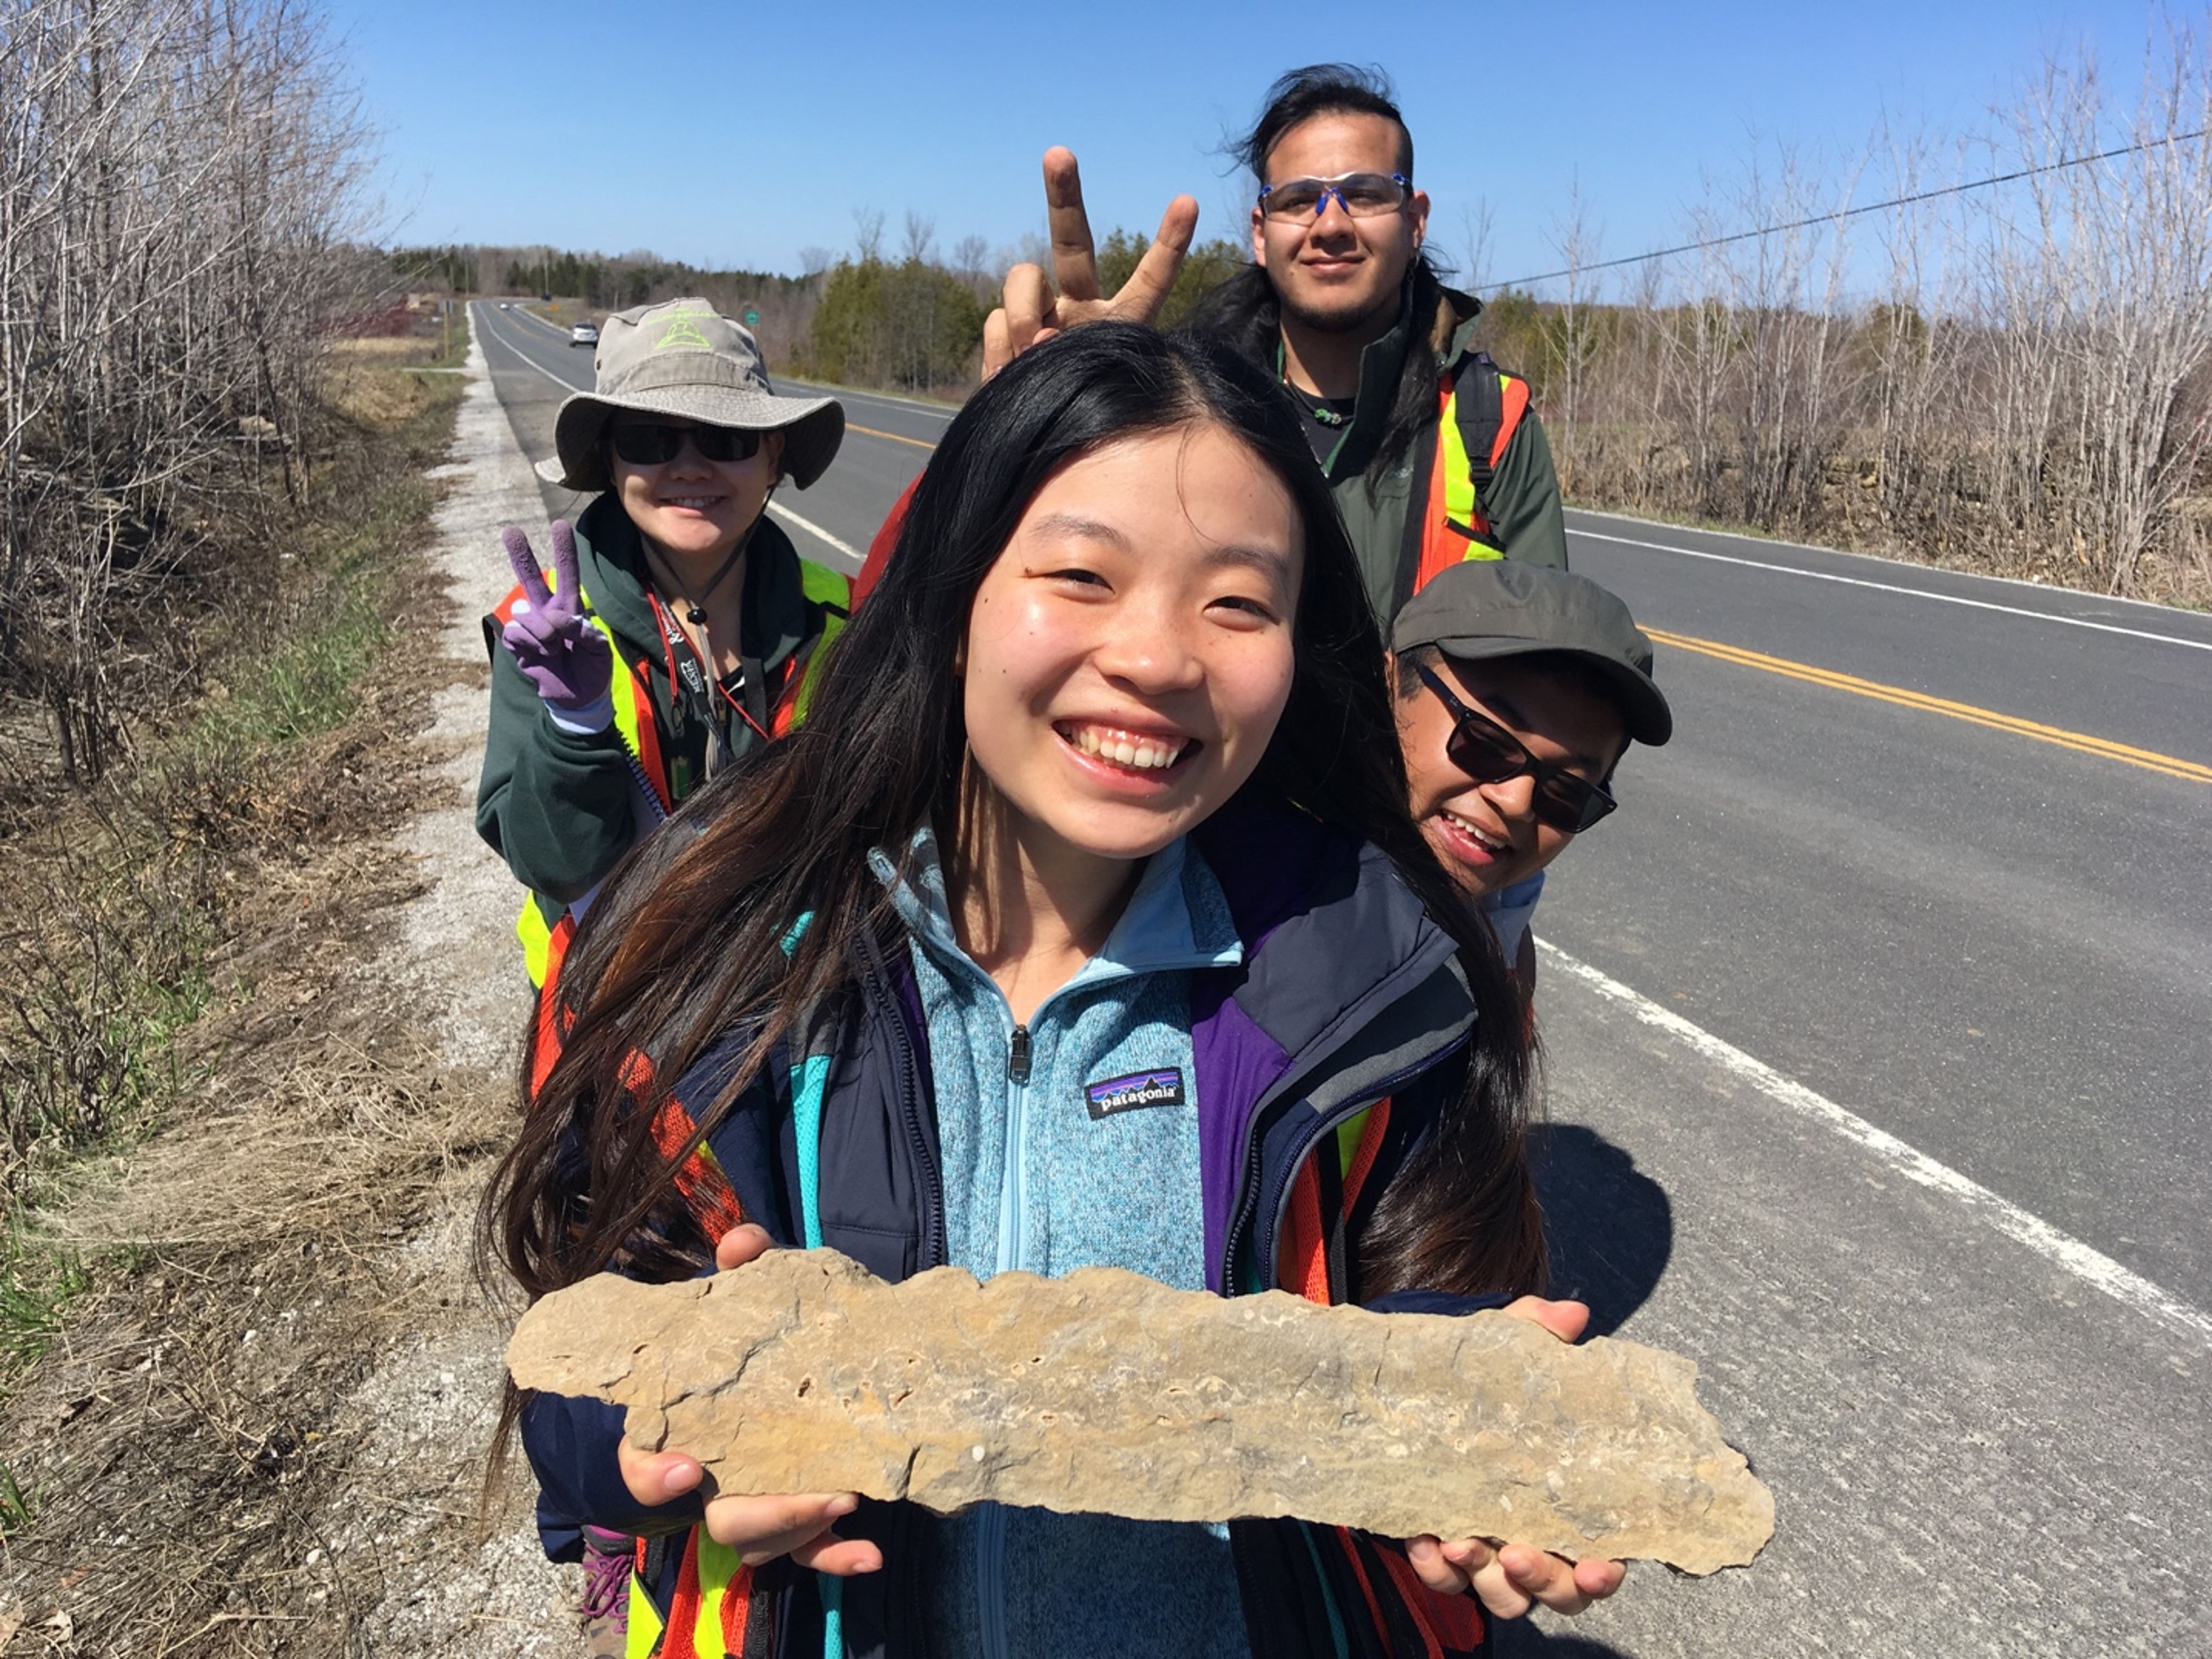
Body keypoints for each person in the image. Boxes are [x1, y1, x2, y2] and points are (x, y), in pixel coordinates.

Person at [490, 323, 1622, 1658]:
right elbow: (573, 1353)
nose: (1155, 657)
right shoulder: (726, 954)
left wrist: (1460, 1428)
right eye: (1080, 574)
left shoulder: (1371, 988)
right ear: (954, 586)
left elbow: (1406, 1296)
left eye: (1238, 602)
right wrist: (646, 1442)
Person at [984, 64, 1571, 627]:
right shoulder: (1179, 406)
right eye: (1298, 199)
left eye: (1365, 193)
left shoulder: (1489, 423)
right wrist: (1062, 407)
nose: (1331, 224)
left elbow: (1550, 687)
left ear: (1415, 222)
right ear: (1261, 233)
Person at [476, 298, 850, 1081]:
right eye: (651, 439)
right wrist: (573, 724)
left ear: (774, 456)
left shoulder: (843, 613)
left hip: (795, 1017)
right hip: (611, 1021)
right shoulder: (542, 628)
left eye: (727, 437)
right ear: (611, 462)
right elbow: (549, 859)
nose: (689, 466)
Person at [1389, 560, 1672, 990]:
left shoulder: (1505, 947)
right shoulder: (1266, 905)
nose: (1517, 802)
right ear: (1386, 688)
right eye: (1485, 743)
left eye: (1566, 790)